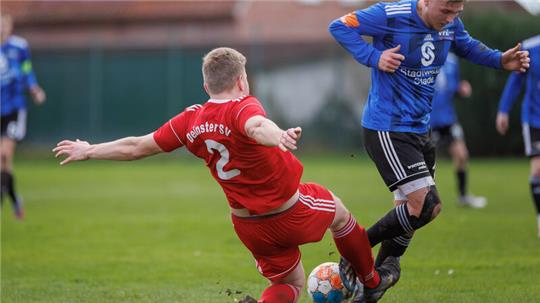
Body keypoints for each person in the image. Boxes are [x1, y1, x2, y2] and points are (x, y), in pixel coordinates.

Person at [53, 47, 401, 303]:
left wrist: (90, 150)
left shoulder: (191, 120)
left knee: (291, 286)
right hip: (291, 212)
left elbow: (137, 147)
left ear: (206, 87)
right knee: (339, 214)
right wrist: (277, 134)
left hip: (249, 226)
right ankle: (371, 283)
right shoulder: (243, 106)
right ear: (241, 80)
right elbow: (255, 125)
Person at [328, 0, 530, 294]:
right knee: (427, 206)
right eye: (445, 11)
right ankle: (356, 252)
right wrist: (373, 57)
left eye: (457, 13)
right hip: (387, 127)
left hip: (421, 131)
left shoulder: (450, 24)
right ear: (425, 1)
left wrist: (500, 60)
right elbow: (340, 26)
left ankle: (373, 286)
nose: (450, 19)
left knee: (409, 212)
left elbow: (467, 45)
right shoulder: (390, 14)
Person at [1, 13, 46, 220]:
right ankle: (14, 198)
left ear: (10, 26)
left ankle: (4, 196)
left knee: (4, 155)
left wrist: (34, 88)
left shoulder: (19, 48)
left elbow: (27, 70)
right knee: (3, 165)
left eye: (4, 24)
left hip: (13, 108)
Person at [496, 34, 540, 238]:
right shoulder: (530, 47)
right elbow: (516, 81)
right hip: (534, 119)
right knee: (538, 170)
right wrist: (504, 110)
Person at [431, 52, 487, 208]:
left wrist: (462, 88)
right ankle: (424, 199)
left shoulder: (452, 61)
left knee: (462, 155)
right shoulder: (423, 55)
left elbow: (454, 85)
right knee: (425, 161)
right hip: (428, 120)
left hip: (448, 119)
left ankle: (463, 196)